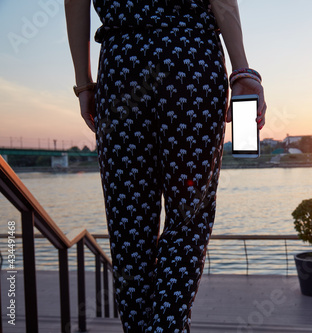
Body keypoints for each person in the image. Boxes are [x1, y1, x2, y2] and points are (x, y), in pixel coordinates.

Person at [65, 0, 266, 332]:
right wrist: (242, 71)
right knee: (188, 220)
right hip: (190, 59)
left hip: (121, 64)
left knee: (129, 229)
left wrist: (84, 83)